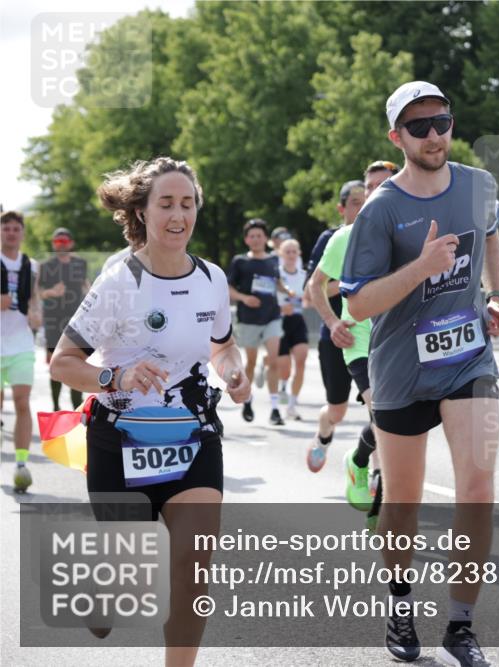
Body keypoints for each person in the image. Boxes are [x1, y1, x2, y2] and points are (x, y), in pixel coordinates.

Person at [50, 157, 250, 664]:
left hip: (191, 432)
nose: (178, 214)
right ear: (142, 211)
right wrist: (115, 376)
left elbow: (223, 345)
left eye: (187, 203)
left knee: (194, 566)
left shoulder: (211, 278)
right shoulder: (119, 282)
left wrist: (233, 370)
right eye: (166, 203)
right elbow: (63, 363)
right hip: (120, 441)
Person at [341, 81, 499, 667]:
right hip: (400, 369)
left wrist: (495, 294)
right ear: (397, 137)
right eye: (419, 127)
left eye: (443, 122)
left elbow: (490, 235)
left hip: (468, 359)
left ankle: (460, 626)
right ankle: (399, 603)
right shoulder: (382, 208)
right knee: (404, 503)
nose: (434, 134)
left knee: (479, 490)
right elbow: (358, 305)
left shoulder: (478, 184)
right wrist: (422, 268)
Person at [307, 160, 397, 530]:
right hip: (357, 342)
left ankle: (359, 460)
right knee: (374, 414)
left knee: (397, 422)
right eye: (369, 187)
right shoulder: (343, 238)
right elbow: (314, 285)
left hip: (401, 343)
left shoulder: (411, 232)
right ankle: (380, 509)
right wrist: (331, 321)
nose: (375, 194)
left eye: (384, 185)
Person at [303, 181, 366, 471]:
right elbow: (310, 291)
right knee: (338, 410)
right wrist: (354, 284)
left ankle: (375, 475)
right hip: (338, 337)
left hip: (375, 338)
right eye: (355, 202)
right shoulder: (332, 238)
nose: (362, 206)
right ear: (341, 208)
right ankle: (323, 435)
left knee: (383, 412)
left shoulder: (388, 235)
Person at [228, 219, 284, 425]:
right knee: (250, 362)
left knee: (275, 359)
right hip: (249, 319)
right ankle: (248, 400)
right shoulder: (240, 261)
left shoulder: (274, 260)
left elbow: (278, 283)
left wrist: (290, 294)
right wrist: (244, 298)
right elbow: (229, 288)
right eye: (252, 235)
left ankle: (276, 409)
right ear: (246, 239)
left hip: (272, 316)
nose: (256, 239)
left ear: (266, 238)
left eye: (259, 235)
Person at [1, 210, 41, 493]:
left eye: (16, 229)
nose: (11, 233)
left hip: (21, 345)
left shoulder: (31, 265)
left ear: (22, 232)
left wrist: (37, 313)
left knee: (23, 403)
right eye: (6, 229)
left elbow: (34, 298)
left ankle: (21, 464)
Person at [38, 227, 90, 410]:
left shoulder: (80, 264)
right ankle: (56, 408)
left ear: (71, 243)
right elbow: (38, 293)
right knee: (54, 364)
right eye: (58, 242)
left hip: (76, 321)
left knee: (78, 362)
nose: (61, 245)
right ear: (53, 244)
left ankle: (78, 409)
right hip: (54, 321)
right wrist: (52, 292)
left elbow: (86, 286)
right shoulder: (46, 266)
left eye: (64, 241)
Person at [275, 238, 308, 421]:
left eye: (294, 251)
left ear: (298, 254)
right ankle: (281, 384)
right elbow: (268, 300)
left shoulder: (304, 276)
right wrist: (280, 308)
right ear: (281, 254)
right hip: (280, 322)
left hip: (297, 321)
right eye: (287, 251)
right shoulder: (276, 275)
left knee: (301, 360)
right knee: (285, 369)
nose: (291, 255)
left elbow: (309, 297)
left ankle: (292, 405)